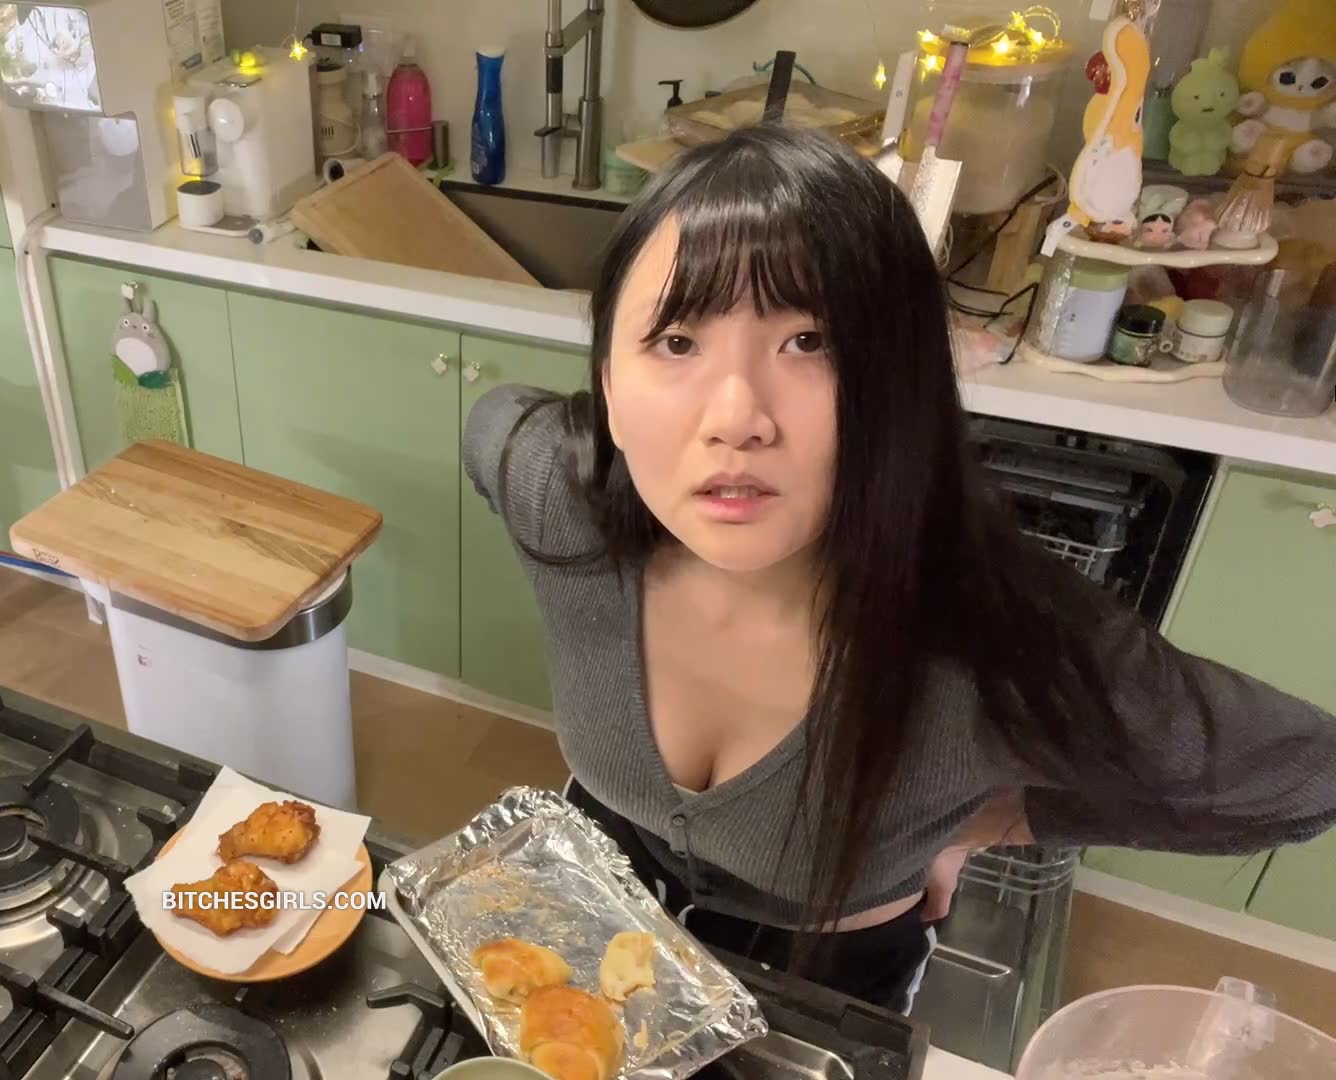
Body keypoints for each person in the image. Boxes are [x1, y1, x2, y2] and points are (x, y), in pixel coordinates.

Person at [462, 125, 1336, 1013]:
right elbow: (491, 418)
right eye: (678, 342)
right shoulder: (555, 491)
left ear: (903, 388)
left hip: (823, 985)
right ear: (610, 388)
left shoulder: (994, 643)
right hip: (597, 914)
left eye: (811, 341)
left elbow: (1307, 777)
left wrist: (992, 820)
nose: (736, 418)